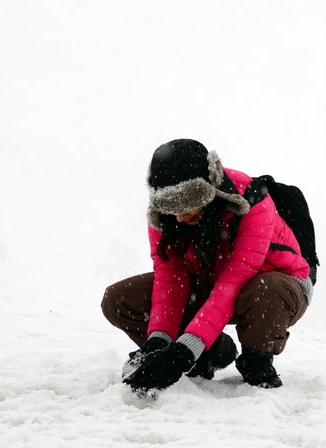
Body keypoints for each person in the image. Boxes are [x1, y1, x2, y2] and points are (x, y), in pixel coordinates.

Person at [101, 139, 312, 392]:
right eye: (172, 208)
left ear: (208, 190)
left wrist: (181, 354)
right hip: (210, 283)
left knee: (268, 288)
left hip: (271, 287)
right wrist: (158, 344)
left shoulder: (251, 200)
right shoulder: (165, 216)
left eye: (188, 205)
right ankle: (210, 353)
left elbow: (234, 280)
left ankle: (257, 359)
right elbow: (170, 279)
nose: (180, 217)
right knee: (120, 299)